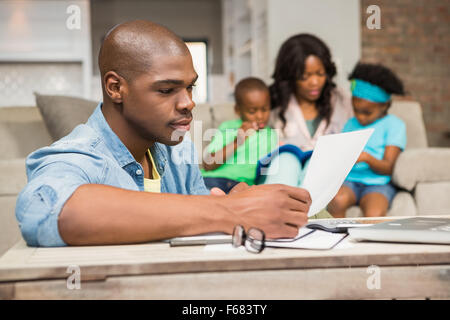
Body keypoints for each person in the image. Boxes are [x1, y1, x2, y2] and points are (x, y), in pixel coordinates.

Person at [15, 20, 311, 247]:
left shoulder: (178, 150)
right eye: (167, 90)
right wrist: (229, 210)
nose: (188, 103)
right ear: (116, 88)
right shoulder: (77, 154)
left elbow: (199, 226)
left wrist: (225, 203)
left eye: (190, 87)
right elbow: (46, 209)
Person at [258, 33, 353, 188]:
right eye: (305, 76)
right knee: (286, 163)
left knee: (316, 170)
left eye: (320, 74)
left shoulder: (342, 101)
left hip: (323, 175)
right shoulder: (271, 103)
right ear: (290, 76)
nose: (314, 82)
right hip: (281, 172)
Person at [328, 63, 406, 218]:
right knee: (336, 201)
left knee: (374, 212)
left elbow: (389, 167)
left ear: (385, 106)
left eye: (367, 112)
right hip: (350, 181)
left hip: (378, 183)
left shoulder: (394, 125)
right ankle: (337, 240)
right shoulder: (351, 123)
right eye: (356, 110)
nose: (360, 117)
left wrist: (366, 158)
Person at [201, 77, 278, 193]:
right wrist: (237, 142)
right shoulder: (228, 127)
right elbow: (208, 164)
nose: (260, 116)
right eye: (252, 111)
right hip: (214, 180)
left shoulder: (271, 136)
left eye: (265, 109)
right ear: (238, 110)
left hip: (243, 187)